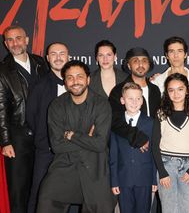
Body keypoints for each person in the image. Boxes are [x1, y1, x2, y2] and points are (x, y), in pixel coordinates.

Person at [37, 60, 115, 212]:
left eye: (79, 76)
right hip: (65, 165)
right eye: (70, 77)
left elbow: (99, 144)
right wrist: (87, 138)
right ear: (65, 82)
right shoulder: (57, 105)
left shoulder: (101, 105)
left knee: (102, 206)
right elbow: (57, 145)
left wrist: (72, 136)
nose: (75, 81)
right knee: (46, 200)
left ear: (88, 79)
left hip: (95, 166)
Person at [0, 25, 48, 213]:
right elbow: (1, 108)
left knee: (41, 187)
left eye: (18, 38)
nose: (15, 43)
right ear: (5, 44)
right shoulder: (3, 70)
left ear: (27, 40)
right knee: (19, 190)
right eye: (10, 40)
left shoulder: (40, 63)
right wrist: (6, 141)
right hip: (18, 137)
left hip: (43, 135)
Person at [26, 42, 69, 213]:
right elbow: (31, 116)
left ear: (68, 57)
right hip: (47, 150)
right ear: (47, 58)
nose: (58, 57)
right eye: (54, 54)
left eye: (62, 53)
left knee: (71, 194)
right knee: (39, 192)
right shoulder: (40, 85)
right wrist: (45, 141)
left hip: (74, 151)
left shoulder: (79, 84)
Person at [152, 73, 189, 213]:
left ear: (187, 90)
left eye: (180, 89)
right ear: (166, 92)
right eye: (171, 90)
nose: (176, 94)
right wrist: (162, 172)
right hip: (167, 165)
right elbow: (155, 144)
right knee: (169, 209)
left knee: (188, 208)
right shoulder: (161, 113)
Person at [110, 82, 157, 213]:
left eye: (138, 98)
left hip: (144, 178)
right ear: (122, 100)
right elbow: (113, 154)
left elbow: (154, 153)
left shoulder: (151, 123)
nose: (134, 102)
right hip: (123, 178)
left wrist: (154, 179)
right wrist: (114, 180)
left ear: (142, 101)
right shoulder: (116, 124)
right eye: (130, 98)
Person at [109, 47, 161, 149]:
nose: (140, 65)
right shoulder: (119, 90)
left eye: (144, 61)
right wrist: (136, 137)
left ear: (149, 64)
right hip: (128, 143)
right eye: (136, 61)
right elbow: (114, 119)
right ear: (129, 65)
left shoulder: (155, 90)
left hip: (154, 143)